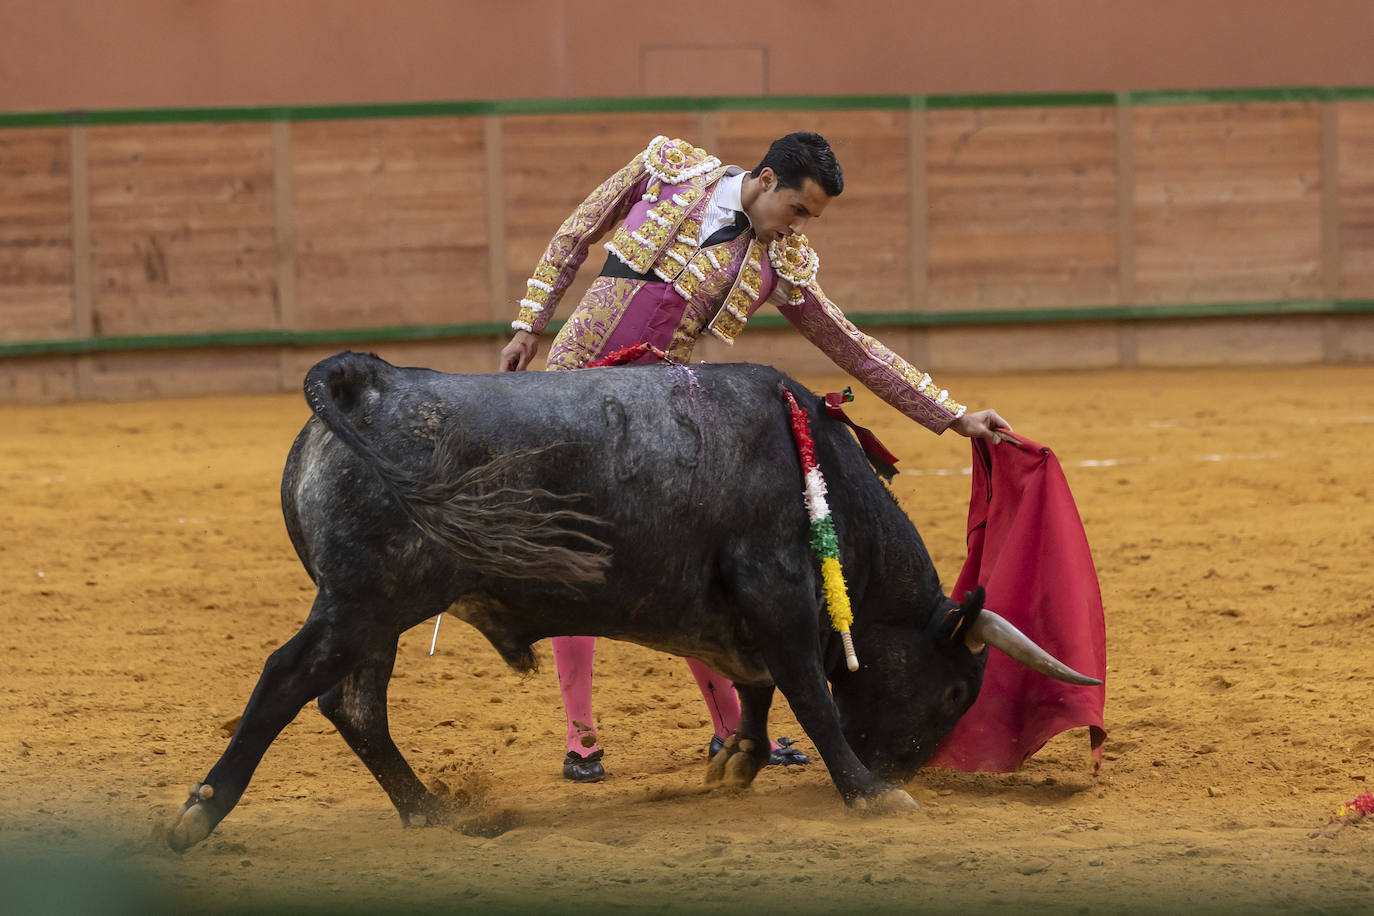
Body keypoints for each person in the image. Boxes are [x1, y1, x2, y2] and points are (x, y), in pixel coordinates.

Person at [499, 131, 1013, 782]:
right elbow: (576, 234)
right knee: (569, 559)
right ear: (767, 181)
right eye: (799, 211)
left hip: (657, 420)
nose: (799, 229)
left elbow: (852, 347)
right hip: (568, 390)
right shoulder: (667, 167)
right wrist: (529, 324)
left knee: (690, 572)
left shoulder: (782, 261)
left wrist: (950, 414)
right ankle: (582, 741)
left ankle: (729, 733)